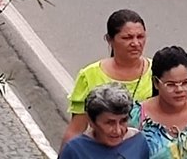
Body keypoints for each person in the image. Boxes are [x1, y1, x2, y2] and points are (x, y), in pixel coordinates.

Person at [61, 10, 152, 148]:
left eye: (140, 37)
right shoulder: (90, 75)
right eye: (127, 38)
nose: (135, 43)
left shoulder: (156, 72)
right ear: (110, 39)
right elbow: (76, 129)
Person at [59, 84, 150, 159]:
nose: (118, 131)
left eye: (123, 121)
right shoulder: (75, 150)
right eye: (110, 123)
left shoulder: (138, 141)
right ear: (91, 121)